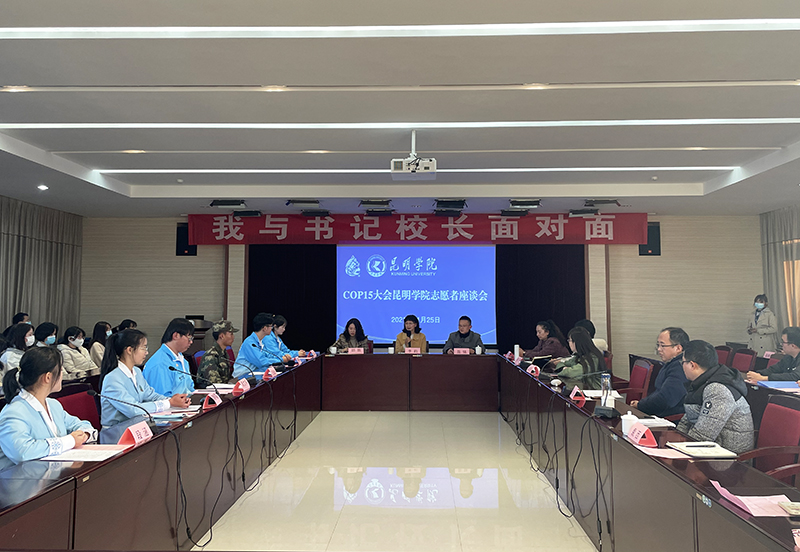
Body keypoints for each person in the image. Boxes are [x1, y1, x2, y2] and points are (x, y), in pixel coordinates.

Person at [0, 347, 97, 470]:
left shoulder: (53, 404)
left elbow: (80, 424)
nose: (62, 375)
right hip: (19, 479)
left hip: (52, 473)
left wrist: (85, 434)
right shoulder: (13, 412)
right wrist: (69, 441)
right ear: (48, 377)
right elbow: (22, 452)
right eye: (60, 371)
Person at [100, 329, 191, 427]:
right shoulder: (112, 379)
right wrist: (168, 403)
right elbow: (133, 410)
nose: (146, 352)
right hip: (116, 431)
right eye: (143, 348)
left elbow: (150, 395)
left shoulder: (137, 372)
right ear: (129, 350)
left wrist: (174, 400)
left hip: (137, 426)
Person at [677, 340, 754, 454]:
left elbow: (703, 436)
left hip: (727, 458)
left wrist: (678, 449)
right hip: (708, 451)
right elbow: (687, 419)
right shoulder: (703, 382)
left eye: (683, 362)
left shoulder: (718, 389)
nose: (682, 366)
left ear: (692, 365)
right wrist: (674, 441)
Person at [631, 327, 690, 417]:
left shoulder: (679, 368)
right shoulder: (671, 363)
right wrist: (641, 403)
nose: (659, 349)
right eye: (658, 345)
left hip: (669, 418)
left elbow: (665, 400)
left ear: (678, 348)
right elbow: (659, 393)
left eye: (663, 346)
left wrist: (640, 405)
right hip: (660, 413)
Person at [142, 318, 196, 396]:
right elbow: (161, 398)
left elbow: (190, 389)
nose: (191, 342)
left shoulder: (182, 360)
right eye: (189, 338)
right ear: (176, 335)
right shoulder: (160, 363)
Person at [233, 312, 285, 378]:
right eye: (271, 326)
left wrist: (281, 358)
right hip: (243, 376)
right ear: (265, 328)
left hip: (254, 374)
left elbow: (267, 355)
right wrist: (281, 360)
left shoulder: (260, 341)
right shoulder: (250, 343)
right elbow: (261, 362)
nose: (272, 329)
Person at [197, 320, 239, 387]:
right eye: (231, 334)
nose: (233, 337)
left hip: (223, 389)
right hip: (211, 391)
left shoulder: (223, 353)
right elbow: (215, 384)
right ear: (222, 336)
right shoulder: (211, 356)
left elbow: (226, 378)